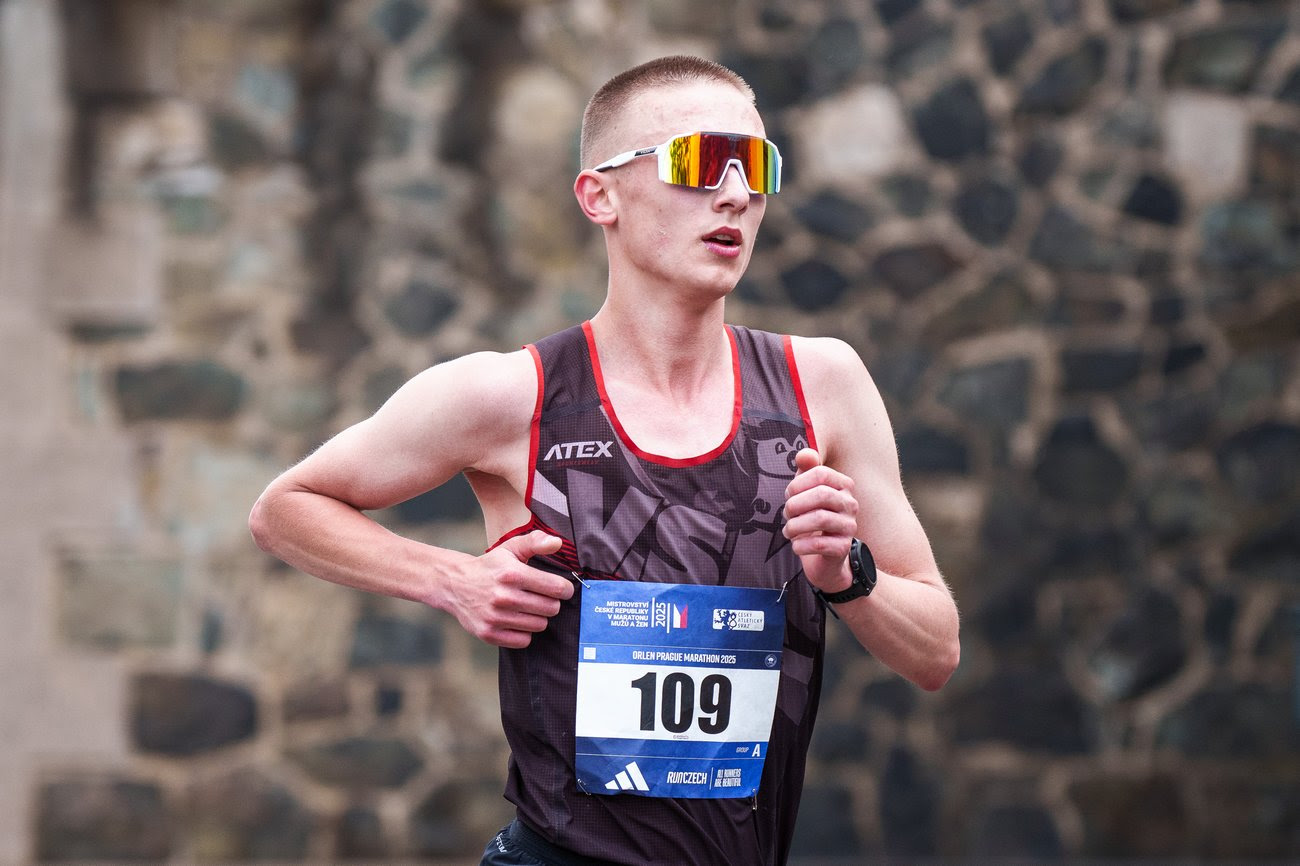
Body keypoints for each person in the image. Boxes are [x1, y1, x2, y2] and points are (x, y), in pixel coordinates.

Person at [250, 55, 959, 866]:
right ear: (600, 196)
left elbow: (936, 653)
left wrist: (846, 574)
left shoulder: (821, 385)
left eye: (758, 167)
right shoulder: (511, 395)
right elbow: (285, 509)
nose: (735, 193)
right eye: (700, 162)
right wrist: (451, 579)